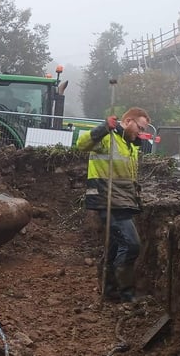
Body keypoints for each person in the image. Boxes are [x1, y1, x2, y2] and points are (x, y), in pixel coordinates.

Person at [76, 107, 151, 303]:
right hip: (107, 202)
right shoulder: (107, 137)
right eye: (139, 127)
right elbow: (82, 144)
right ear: (127, 121)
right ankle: (126, 293)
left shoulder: (131, 145)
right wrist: (103, 128)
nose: (140, 132)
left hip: (124, 202)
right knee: (132, 245)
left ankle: (109, 291)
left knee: (115, 246)